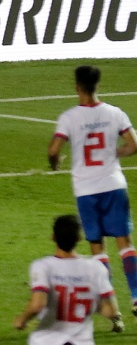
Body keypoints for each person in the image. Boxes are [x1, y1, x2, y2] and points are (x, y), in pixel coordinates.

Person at [48, 65, 137, 331]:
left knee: (98, 249)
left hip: (86, 191)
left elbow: (53, 149)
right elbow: (133, 145)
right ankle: (136, 297)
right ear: (97, 86)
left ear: (77, 87)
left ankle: (114, 313)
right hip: (113, 185)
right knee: (125, 244)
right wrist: (114, 154)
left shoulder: (69, 117)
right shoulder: (114, 113)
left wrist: (55, 163)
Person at [13, 214, 117, 344]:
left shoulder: (43, 266)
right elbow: (110, 311)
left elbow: (37, 305)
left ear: (53, 237)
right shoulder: (96, 267)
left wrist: (22, 319)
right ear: (79, 239)